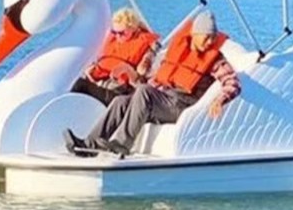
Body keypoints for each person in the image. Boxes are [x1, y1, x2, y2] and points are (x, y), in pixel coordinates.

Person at [64, 10, 241, 157]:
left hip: (183, 104)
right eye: (206, 37)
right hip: (165, 99)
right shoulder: (180, 51)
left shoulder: (215, 59)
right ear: (194, 35)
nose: (210, 42)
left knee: (144, 92)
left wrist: (220, 100)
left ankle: (121, 144)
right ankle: (89, 145)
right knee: (121, 101)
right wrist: (136, 79)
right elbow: (156, 79)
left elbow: (232, 83)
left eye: (212, 37)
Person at [70, 8, 161, 105]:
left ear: (133, 29)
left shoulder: (147, 46)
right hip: (98, 83)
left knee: (78, 85)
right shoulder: (111, 40)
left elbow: (142, 84)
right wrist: (89, 70)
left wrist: (128, 70)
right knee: (72, 80)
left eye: (122, 33)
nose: (117, 36)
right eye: (114, 32)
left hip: (118, 93)